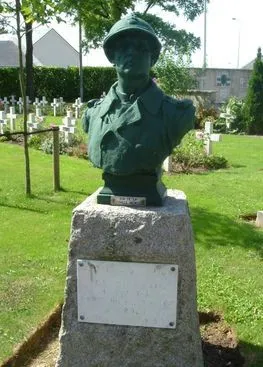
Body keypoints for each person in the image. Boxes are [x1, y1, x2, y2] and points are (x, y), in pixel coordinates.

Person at [82, 14, 195, 206]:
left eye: (141, 48)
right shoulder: (94, 113)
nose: (132, 53)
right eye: (124, 47)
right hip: (111, 187)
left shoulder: (175, 114)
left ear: (152, 59)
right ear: (112, 56)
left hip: (149, 188)